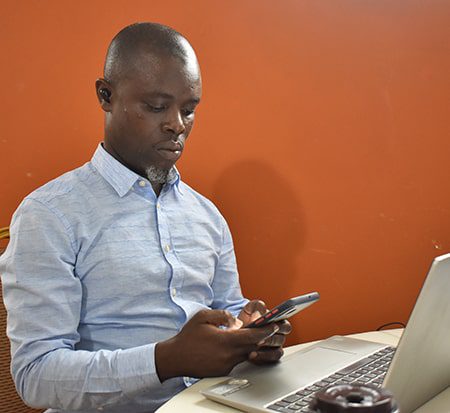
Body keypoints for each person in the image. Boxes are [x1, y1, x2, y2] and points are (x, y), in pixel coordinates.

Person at [0, 23, 291, 413]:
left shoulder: (206, 215)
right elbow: (35, 376)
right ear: (106, 95)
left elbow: (228, 313)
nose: (177, 124)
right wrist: (166, 360)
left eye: (189, 110)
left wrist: (249, 340)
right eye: (156, 107)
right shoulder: (49, 216)